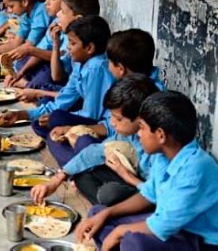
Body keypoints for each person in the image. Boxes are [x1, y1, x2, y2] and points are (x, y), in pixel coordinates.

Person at [76, 91, 218, 251]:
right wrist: (107, 213)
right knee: (98, 214)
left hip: (198, 240)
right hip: (171, 227)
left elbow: (162, 226)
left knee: (134, 242)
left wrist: (119, 231)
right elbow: (148, 196)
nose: (138, 133)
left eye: (142, 128)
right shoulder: (163, 157)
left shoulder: (196, 169)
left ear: (160, 135)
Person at [31, 74, 159, 205]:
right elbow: (97, 151)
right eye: (111, 117)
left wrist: (127, 176)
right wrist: (56, 180)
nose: (113, 123)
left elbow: (158, 195)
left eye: (118, 119)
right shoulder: (128, 133)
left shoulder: (157, 146)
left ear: (140, 119)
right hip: (126, 176)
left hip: (144, 192)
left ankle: (111, 210)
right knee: (81, 172)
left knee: (109, 193)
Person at [0, 15, 115, 142]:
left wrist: (62, 123)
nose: (68, 47)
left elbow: (91, 115)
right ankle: (62, 140)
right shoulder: (79, 63)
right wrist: (22, 115)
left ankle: (71, 142)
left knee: (56, 119)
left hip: (102, 125)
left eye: (72, 43)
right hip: (86, 118)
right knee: (39, 122)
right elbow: (64, 98)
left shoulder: (96, 67)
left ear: (89, 48)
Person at [52, 29, 167, 151]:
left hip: (126, 146)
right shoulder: (127, 83)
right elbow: (111, 122)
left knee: (82, 143)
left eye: (109, 62)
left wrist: (80, 132)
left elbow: (119, 132)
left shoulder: (147, 93)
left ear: (120, 68)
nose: (106, 65)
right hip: (112, 131)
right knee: (60, 126)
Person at [12, 0, 101, 104]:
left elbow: (57, 77)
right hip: (65, 82)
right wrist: (55, 43)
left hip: (67, 84)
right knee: (23, 63)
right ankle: (31, 86)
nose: (58, 14)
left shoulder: (86, 54)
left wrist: (38, 93)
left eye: (63, 12)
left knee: (46, 99)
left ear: (77, 19)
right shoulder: (62, 30)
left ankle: (30, 85)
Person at [4, 0, 80, 89]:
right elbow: (41, 48)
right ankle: (31, 84)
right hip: (52, 66)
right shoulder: (56, 22)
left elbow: (62, 62)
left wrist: (31, 50)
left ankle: (32, 86)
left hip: (62, 72)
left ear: (67, 1)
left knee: (45, 73)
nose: (46, 3)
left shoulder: (76, 30)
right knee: (23, 64)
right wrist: (20, 73)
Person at [0, 0, 52, 74]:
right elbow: (15, 44)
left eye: (11, 6)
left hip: (44, 55)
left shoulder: (41, 12)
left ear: (24, 1)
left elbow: (28, 46)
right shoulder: (25, 15)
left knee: (15, 64)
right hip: (30, 51)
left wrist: (0, 58)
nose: (9, 11)